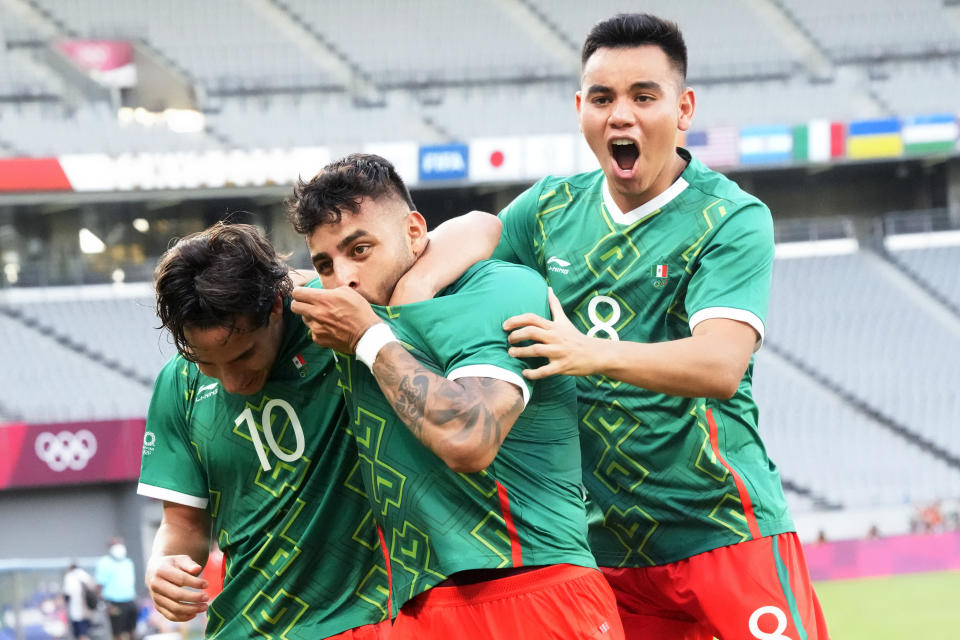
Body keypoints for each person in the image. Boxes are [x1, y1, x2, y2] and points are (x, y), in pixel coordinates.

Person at [491, 13, 829, 640]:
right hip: (606, 553)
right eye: (603, 97)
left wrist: (584, 353)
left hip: (723, 531)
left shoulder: (729, 217)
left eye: (644, 96)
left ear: (683, 108)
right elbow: (474, 240)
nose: (621, 114)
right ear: (581, 109)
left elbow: (720, 365)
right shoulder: (547, 208)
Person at [287, 153, 624, 640]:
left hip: (536, 589)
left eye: (359, 249)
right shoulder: (340, 316)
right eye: (324, 263)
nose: (343, 279)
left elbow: (469, 439)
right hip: (421, 608)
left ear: (414, 231)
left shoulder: (496, 288)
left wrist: (370, 340)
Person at [138, 217, 497, 639]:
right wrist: (162, 566)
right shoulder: (178, 383)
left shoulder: (341, 320)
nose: (232, 382)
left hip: (369, 619)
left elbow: (483, 226)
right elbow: (184, 526)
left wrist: (413, 291)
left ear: (275, 306)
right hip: (242, 627)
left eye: (244, 356)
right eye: (205, 362)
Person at [95, 537, 137, 640]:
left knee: (132, 631)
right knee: (117, 633)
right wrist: (105, 604)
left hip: (130, 601)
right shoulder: (104, 563)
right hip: (114, 603)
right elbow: (99, 587)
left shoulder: (128, 562)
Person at [63, 562, 96, 640]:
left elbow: (67, 594)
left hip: (76, 611)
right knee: (86, 632)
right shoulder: (85, 575)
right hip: (87, 610)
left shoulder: (69, 577)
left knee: (81, 634)